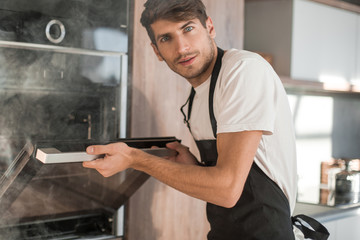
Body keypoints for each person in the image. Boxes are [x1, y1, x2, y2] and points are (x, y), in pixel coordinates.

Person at [82, 0, 312, 239]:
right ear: (156, 51)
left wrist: (135, 159)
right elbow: (223, 186)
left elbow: (227, 189)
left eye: (188, 29)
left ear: (209, 28)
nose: (181, 48)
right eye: (166, 38)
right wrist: (191, 168)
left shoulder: (243, 70)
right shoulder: (194, 101)